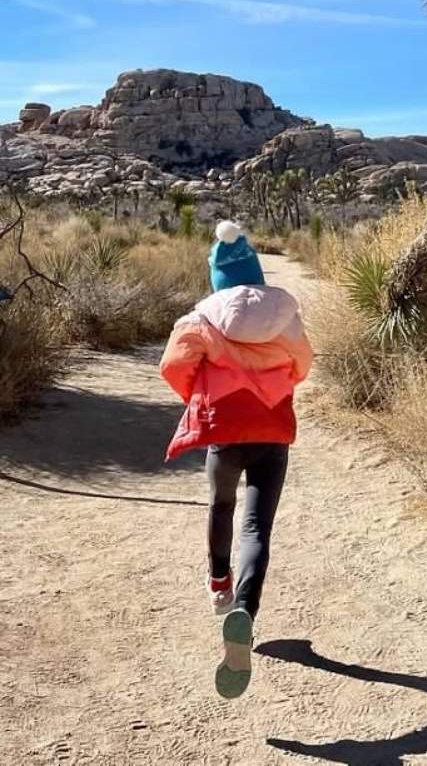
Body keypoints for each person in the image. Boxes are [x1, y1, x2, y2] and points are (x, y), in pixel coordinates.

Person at [160, 220, 313, 700]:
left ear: (218, 278)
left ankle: (219, 585)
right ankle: (245, 607)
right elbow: (302, 364)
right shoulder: (284, 315)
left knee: (220, 505)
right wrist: (275, 380)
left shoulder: (200, 319)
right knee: (257, 527)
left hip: (223, 431)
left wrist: (201, 395)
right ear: (256, 272)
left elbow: (172, 365)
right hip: (271, 430)